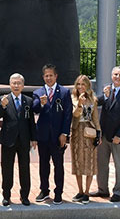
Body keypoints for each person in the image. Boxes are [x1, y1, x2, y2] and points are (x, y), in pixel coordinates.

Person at [90, 66, 120, 202]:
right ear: (111, 76)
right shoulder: (107, 90)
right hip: (104, 136)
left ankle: (118, 192)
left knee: (119, 166)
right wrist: (105, 96)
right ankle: (102, 190)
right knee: (101, 164)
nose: (117, 77)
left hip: (118, 138)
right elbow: (96, 101)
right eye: (115, 74)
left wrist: (119, 135)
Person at [32, 64, 72, 205]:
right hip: (42, 135)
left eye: (51, 75)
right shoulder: (38, 92)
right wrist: (41, 104)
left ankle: (59, 192)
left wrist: (64, 133)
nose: (49, 78)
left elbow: (68, 115)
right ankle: (44, 190)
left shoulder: (64, 92)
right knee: (44, 164)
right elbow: (34, 109)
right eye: (46, 75)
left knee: (58, 165)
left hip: (57, 136)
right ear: (43, 77)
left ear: (56, 76)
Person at [0, 73, 36, 207]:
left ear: (23, 85)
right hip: (8, 139)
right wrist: (2, 106)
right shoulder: (4, 99)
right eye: (14, 83)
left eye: (19, 83)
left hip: (24, 140)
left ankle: (24, 196)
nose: (16, 85)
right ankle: (6, 195)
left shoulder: (28, 101)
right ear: (10, 84)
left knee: (24, 168)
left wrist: (33, 138)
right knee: (7, 168)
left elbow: (31, 122)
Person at [70, 75, 101, 204]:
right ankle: (80, 191)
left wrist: (99, 133)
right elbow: (75, 115)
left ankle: (87, 192)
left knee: (90, 162)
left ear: (88, 86)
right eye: (78, 84)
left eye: (83, 84)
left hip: (90, 131)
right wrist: (79, 104)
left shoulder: (93, 99)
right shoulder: (72, 98)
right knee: (77, 161)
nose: (81, 87)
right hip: (77, 131)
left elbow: (95, 118)